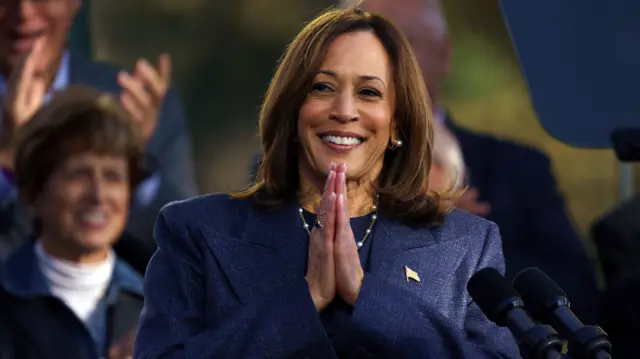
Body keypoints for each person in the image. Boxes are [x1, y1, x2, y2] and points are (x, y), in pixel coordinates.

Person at [134, 6, 520, 359]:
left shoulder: (466, 245)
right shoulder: (198, 232)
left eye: (369, 93)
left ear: (397, 123)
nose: (344, 111)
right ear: (293, 108)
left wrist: (367, 298)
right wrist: (304, 299)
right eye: (322, 87)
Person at [359, 0, 600, 323]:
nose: (387, 60)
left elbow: (579, 293)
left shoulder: (517, 168)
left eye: (407, 41)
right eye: (372, 44)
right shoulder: (315, 170)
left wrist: (467, 243)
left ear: (444, 53)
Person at [0, 0, 197, 270]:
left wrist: (133, 164)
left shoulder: (135, 101)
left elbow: (187, 254)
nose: (23, 12)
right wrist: (11, 161)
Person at [0, 86, 144, 359]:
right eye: (79, 175)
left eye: (113, 176)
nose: (98, 195)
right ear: (34, 191)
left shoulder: (165, 308)